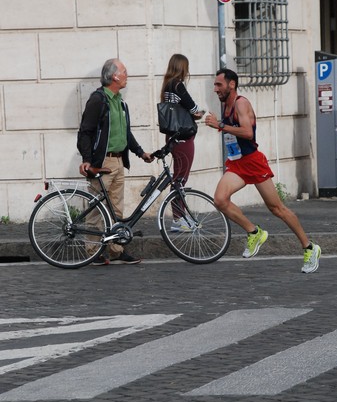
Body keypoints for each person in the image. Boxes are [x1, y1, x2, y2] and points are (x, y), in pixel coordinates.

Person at [205, 68, 321, 274]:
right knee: (220, 200)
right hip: (237, 163)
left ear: (231, 84)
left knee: (277, 209)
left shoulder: (241, 103)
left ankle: (309, 248)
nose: (215, 89)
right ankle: (254, 232)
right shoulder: (226, 105)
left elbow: (248, 133)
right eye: (215, 85)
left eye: (218, 85)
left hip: (253, 162)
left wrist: (220, 125)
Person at [77, 58, 153, 265]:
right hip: (103, 163)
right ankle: (93, 252)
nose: (127, 75)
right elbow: (85, 132)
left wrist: (140, 152)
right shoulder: (98, 100)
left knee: (116, 210)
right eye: (125, 72)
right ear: (114, 76)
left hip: (119, 162)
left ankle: (117, 250)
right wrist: (86, 160)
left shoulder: (120, 102)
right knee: (95, 211)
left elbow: (126, 134)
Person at [160, 54, 204, 231]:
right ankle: (178, 219)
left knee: (178, 176)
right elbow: (193, 108)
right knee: (180, 178)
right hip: (183, 137)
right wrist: (200, 113)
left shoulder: (167, 85)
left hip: (172, 135)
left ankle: (181, 216)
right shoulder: (178, 85)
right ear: (182, 68)